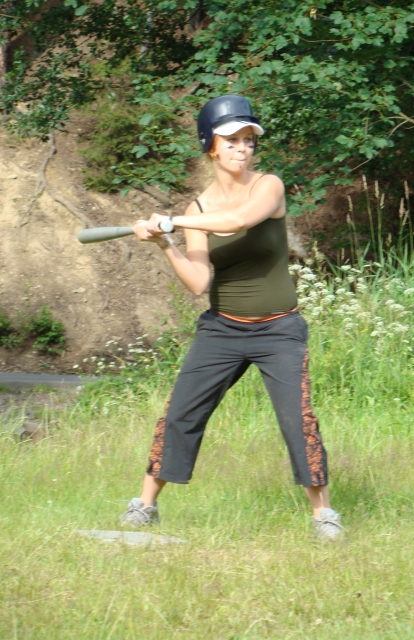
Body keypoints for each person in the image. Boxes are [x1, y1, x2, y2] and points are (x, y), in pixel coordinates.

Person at [120, 95, 342, 539]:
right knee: (181, 413)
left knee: (297, 418)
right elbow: (198, 281)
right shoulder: (197, 210)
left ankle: (324, 515)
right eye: (232, 140)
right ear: (211, 146)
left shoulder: (269, 186)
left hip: (279, 329)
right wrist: (165, 243)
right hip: (222, 329)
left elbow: (240, 219)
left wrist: (171, 222)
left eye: (248, 140)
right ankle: (144, 506)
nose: (243, 148)